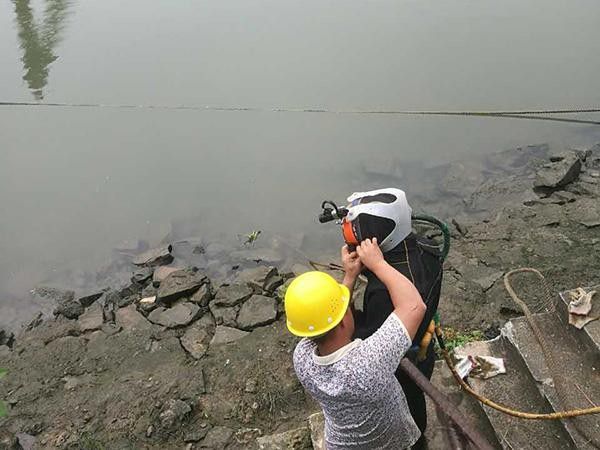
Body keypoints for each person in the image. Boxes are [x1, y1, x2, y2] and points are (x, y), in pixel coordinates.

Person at [286, 238, 426, 449]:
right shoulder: (367, 363)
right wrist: (378, 263)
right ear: (344, 319)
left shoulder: (302, 358)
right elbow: (414, 306)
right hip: (389, 442)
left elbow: (324, 322)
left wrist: (350, 277)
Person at [341, 188, 443, 450]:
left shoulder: (382, 294)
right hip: (423, 349)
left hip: (402, 367)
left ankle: (416, 442)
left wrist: (350, 279)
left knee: (409, 408)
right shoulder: (428, 248)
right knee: (417, 398)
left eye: (356, 234)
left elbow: (362, 337)